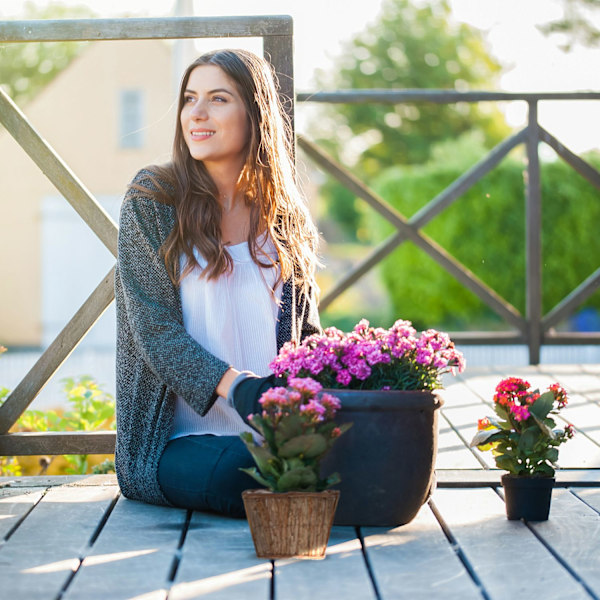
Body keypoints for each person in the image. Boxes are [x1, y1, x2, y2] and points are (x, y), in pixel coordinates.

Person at [114, 49, 321, 517]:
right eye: (190, 99)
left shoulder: (284, 217)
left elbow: (307, 340)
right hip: (175, 443)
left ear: (255, 112)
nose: (196, 114)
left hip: (275, 434)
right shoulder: (153, 199)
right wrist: (241, 389)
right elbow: (156, 336)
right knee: (253, 475)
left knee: (374, 459)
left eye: (218, 98)